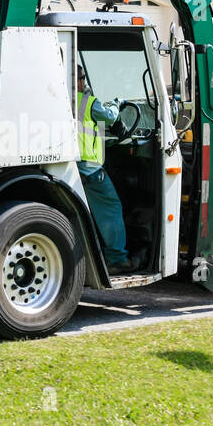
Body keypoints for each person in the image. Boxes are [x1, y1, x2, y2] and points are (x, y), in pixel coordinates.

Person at [76, 66, 133, 272]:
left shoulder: (58, 99)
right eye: (83, 79)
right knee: (111, 207)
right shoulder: (87, 102)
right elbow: (109, 116)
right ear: (80, 81)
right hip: (90, 169)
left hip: (71, 167)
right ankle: (117, 259)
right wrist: (117, 104)